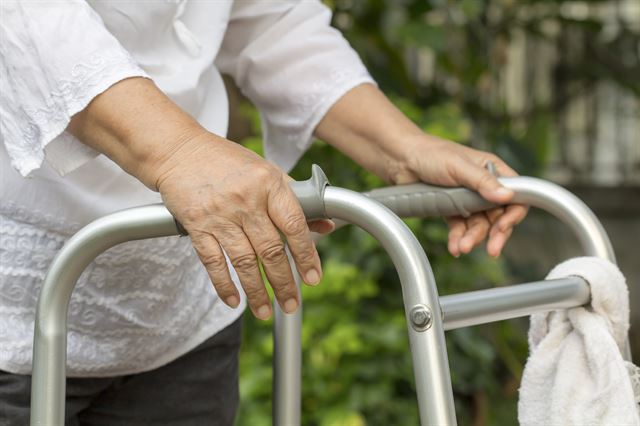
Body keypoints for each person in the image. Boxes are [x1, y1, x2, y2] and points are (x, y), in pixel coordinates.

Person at [0, 1, 527, 425]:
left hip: (184, 315)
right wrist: (181, 153)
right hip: (20, 311)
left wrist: (401, 146)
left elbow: (270, 21)